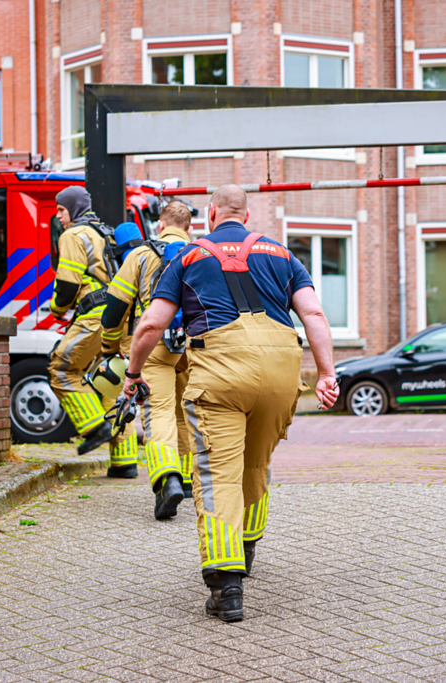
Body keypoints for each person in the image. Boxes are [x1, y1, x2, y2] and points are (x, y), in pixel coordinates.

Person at [122, 185, 339, 622]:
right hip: (281, 372)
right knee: (255, 464)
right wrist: (327, 375)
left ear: (212, 213)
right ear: (247, 214)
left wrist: (133, 373)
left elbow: (151, 325)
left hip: (221, 374)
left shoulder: (189, 257)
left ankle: (226, 587)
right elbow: (313, 314)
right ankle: (247, 547)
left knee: (218, 472)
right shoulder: (282, 255)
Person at [101, 200, 195, 521]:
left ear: (160, 225)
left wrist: (110, 346)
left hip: (157, 346)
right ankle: (188, 478)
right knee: (187, 411)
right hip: (195, 345)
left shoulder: (141, 254)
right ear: (188, 228)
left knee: (160, 413)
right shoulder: (203, 253)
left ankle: (167, 480)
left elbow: (114, 310)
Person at [47, 185, 138, 474]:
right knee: (113, 383)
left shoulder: (74, 234)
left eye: (61, 209)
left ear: (73, 209)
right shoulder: (107, 233)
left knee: (62, 368)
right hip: (124, 316)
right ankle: (124, 463)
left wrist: (57, 310)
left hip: (95, 316)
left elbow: (68, 284)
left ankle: (94, 427)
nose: (59, 215)